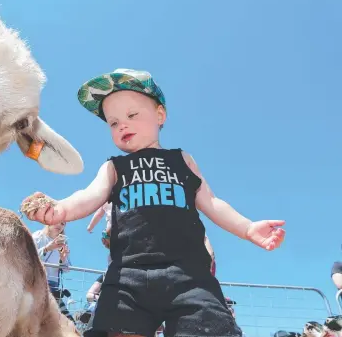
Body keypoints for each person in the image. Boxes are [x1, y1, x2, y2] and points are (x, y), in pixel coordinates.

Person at [21, 68, 286, 337]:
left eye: (132, 115)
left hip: (191, 275)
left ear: (160, 115)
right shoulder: (114, 167)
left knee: (211, 330)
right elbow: (89, 195)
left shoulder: (183, 160)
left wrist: (247, 228)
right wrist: (60, 208)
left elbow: (212, 202)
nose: (122, 124)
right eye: (113, 123)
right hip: (127, 275)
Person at [31, 223, 74, 322]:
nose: (59, 225)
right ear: (50, 222)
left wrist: (63, 259)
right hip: (36, 283)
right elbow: (28, 257)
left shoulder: (63, 244)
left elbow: (67, 269)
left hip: (53, 287)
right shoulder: (38, 236)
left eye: (63, 223)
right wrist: (47, 248)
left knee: (67, 322)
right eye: (57, 221)